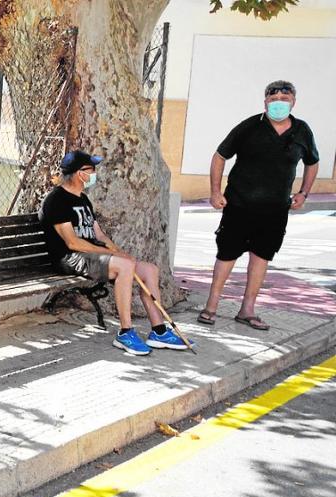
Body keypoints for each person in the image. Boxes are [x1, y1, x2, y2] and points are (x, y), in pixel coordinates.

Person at [39, 150, 190, 356]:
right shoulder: (56, 200)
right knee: (125, 266)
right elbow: (73, 243)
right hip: (69, 258)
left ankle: (159, 331)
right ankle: (125, 332)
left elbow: (99, 234)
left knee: (149, 270)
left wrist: (120, 253)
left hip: (93, 255)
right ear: (78, 173)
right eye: (91, 169)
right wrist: (114, 257)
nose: (94, 173)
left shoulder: (83, 199)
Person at [199, 80, 320, 331]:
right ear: (265, 102)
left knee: (261, 257)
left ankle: (247, 310)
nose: (279, 104)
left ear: (293, 102)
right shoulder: (250, 126)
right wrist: (215, 191)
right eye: (273, 100)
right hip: (239, 204)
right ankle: (211, 306)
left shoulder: (302, 131)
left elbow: (312, 161)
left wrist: (304, 193)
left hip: (275, 209)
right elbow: (220, 156)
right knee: (227, 254)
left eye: (284, 100)